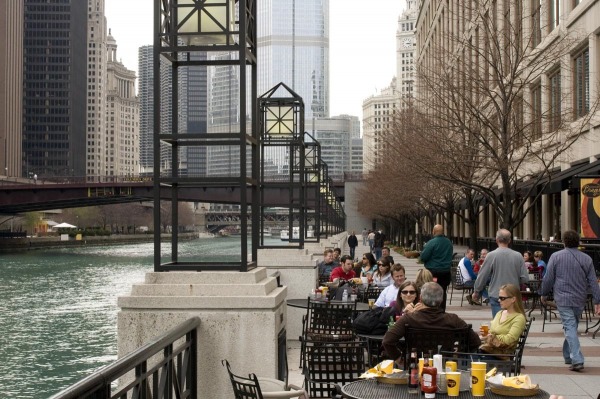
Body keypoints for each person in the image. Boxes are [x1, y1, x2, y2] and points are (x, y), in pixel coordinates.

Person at [540, 230, 600, 372]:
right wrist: (597, 300)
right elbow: (593, 281)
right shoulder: (587, 259)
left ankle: (577, 359)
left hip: (562, 297)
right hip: (580, 298)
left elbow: (548, 278)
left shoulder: (556, 256)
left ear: (564, 242)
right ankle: (568, 356)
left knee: (570, 326)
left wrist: (543, 293)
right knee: (571, 326)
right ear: (578, 242)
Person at [382, 282, 481, 363]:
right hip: (446, 365)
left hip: (416, 364)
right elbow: (475, 342)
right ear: (441, 299)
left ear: (420, 297)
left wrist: (399, 359)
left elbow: (387, 341)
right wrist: (457, 355)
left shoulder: (409, 319)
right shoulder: (453, 320)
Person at [473, 229, 529, 317]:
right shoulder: (518, 256)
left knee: (499, 324)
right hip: (513, 295)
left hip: (497, 294)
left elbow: (482, 276)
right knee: (512, 322)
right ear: (509, 241)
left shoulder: (491, 255)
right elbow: (525, 278)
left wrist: (477, 291)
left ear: (497, 240)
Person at [479, 284, 526, 356]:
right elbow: (491, 332)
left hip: (500, 354)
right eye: (499, 297)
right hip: (489, 349)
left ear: (513, 299)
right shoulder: (499, 313)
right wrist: (486, 334)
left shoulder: (519, 318)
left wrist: (490, 336)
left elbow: (509, 339)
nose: (499, 300)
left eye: (502, 298)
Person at [419, 224, 453, 311]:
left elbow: (423, 257)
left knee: (431, 291)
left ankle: (432, 310)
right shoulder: (449, 243)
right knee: (443, 292)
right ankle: (442, 310)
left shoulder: (431, 243)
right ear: (443, 232)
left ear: (433, 231)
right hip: (445, 272)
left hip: (433, 272)